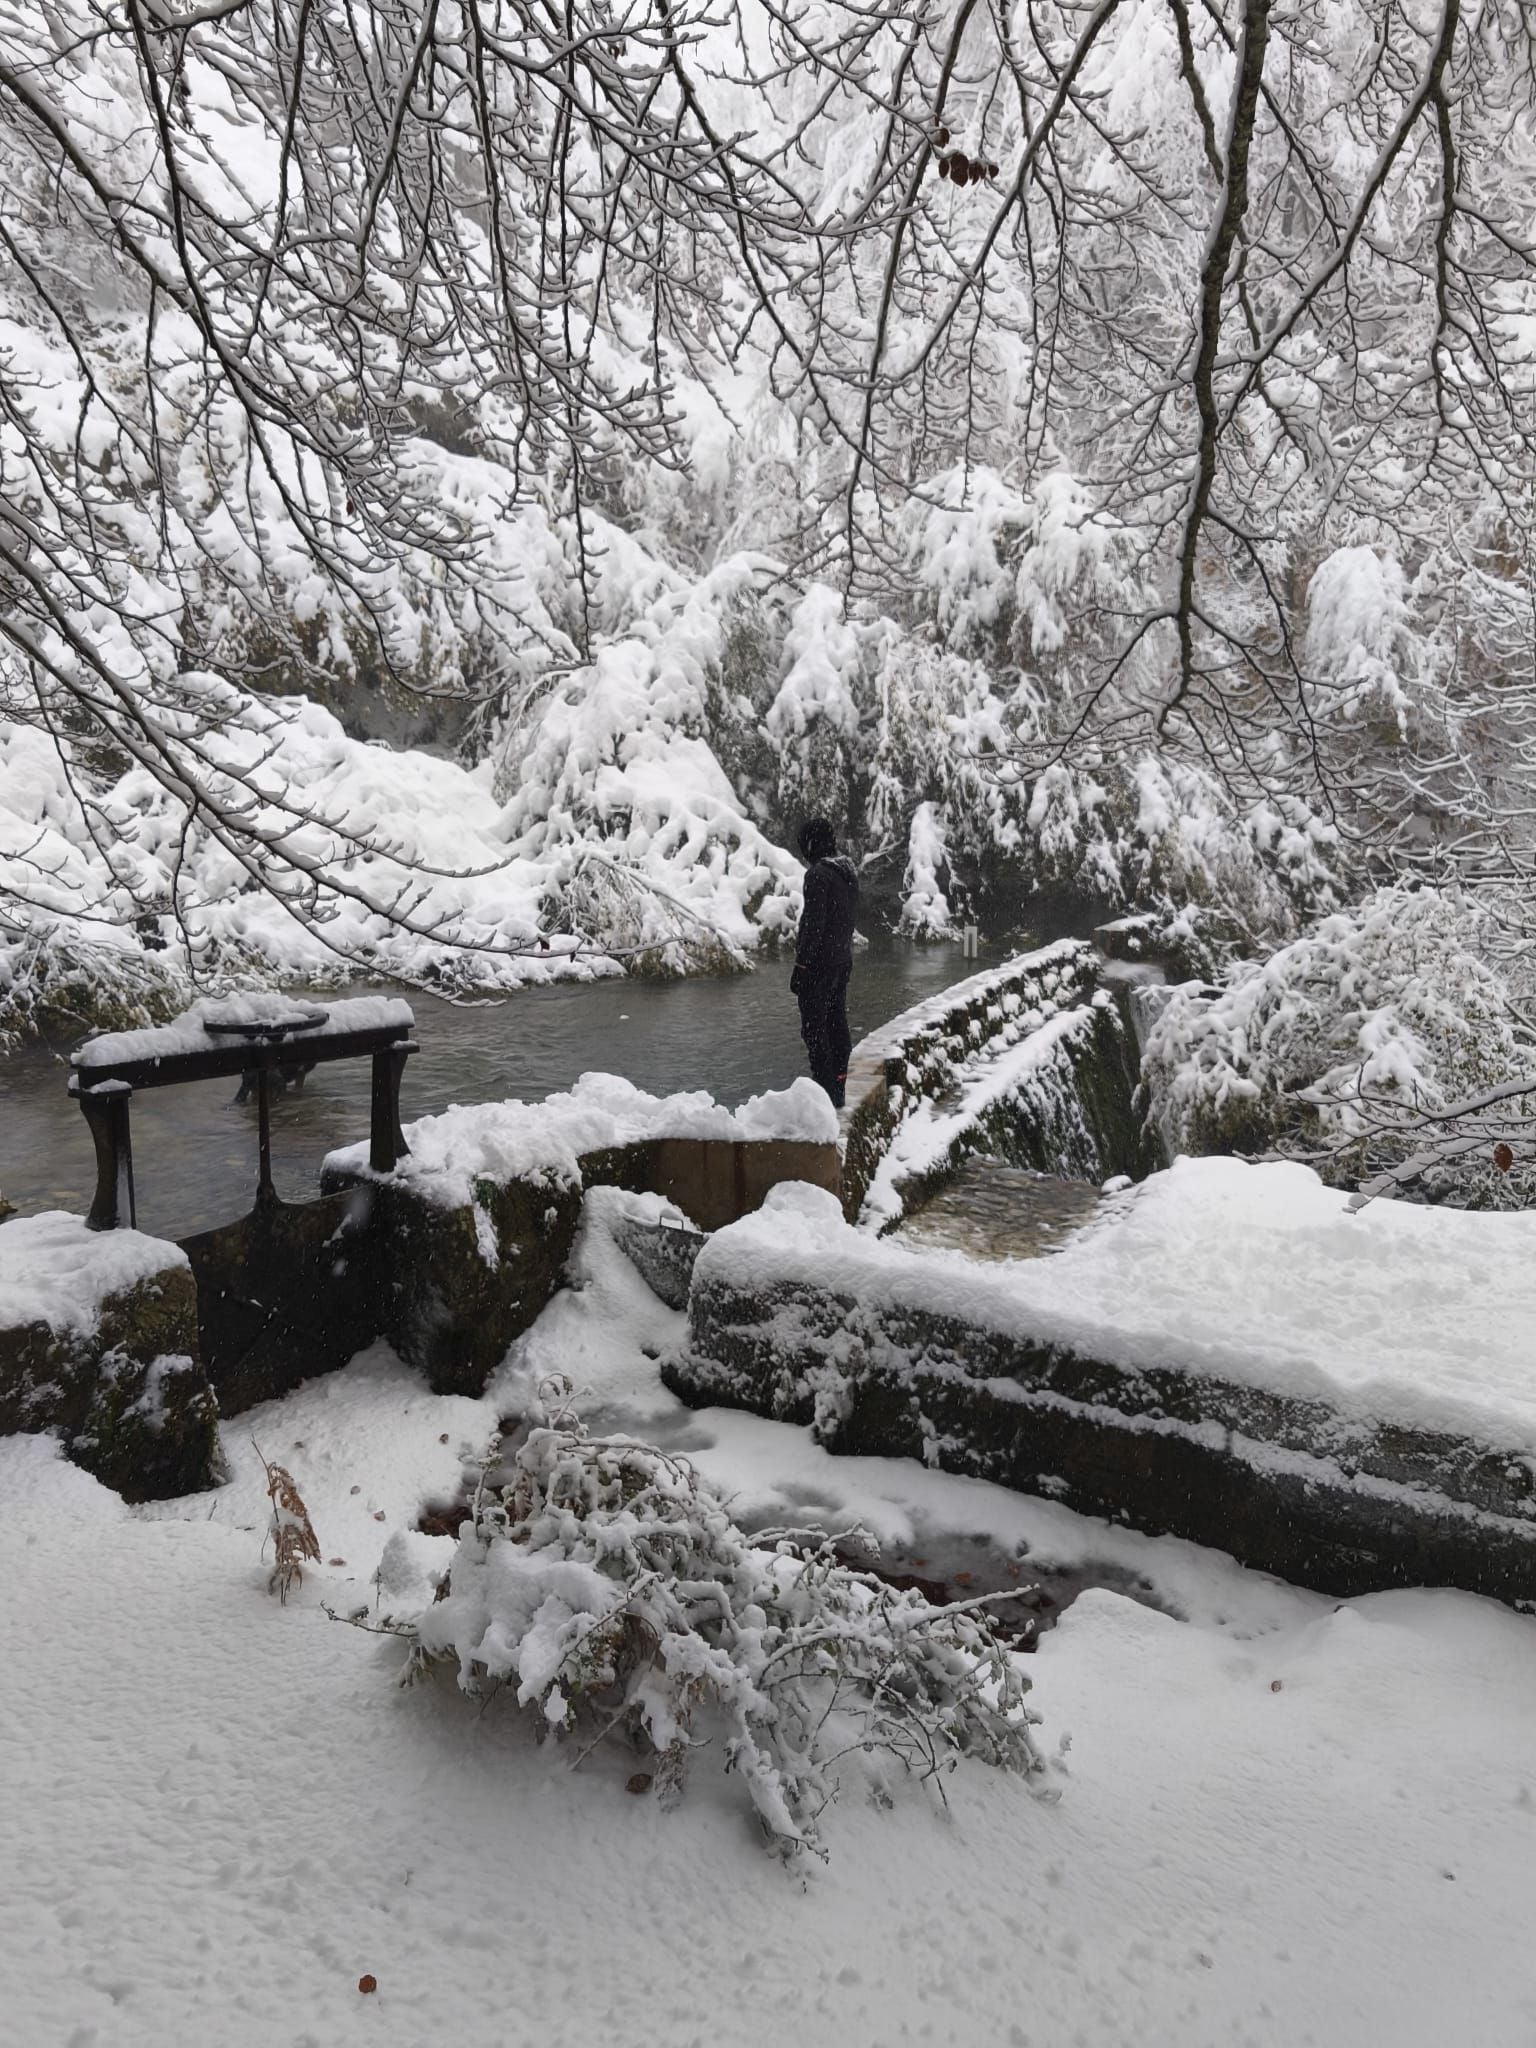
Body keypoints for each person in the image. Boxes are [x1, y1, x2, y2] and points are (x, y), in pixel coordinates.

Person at [791, 817, 859, 1108]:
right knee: (836, 1021)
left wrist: (802, 966)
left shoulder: (819, 875)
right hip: (841, 960)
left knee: (815, 1029)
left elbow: (814, 925)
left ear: (811, 844)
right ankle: (839, 1083)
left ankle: (825, 1091)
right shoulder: (847, 872)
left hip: (819, 965)